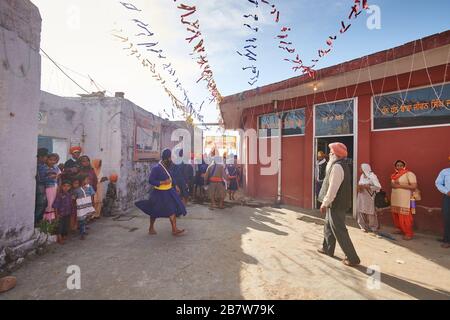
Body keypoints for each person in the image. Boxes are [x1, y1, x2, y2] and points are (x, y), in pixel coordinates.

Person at [318, 143, 360, 267]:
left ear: (336, 155)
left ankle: (352, 258)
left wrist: (325, 203)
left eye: (331, 152)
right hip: (335, 203)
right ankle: (327, 248)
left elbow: (333, 189)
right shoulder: (339, 165)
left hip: (336, 203)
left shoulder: (337, 167)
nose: (329, 154)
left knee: (339, 230)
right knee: (328, 226)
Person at [135, 149, 187, 236]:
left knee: (172, 209)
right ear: (166, 158)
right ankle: (151, 228)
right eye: (170, 158)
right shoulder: (156, 168)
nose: (171, 160)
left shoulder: (167, 167)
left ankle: (174, 229)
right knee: (154, 211)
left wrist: (175, 185)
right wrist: (163, 182)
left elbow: (171, 177)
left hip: (169, 192)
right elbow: (151, 180)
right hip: (158, 193)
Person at [390, 160, 418, 241]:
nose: (399, 167)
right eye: (397, 165)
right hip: (395, 198)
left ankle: (408, 233)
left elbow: (414, 186)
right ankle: (399, 229)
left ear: (404, 166)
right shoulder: (394, 175)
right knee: (396, 214)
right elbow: (392, 185)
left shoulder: (409, 174)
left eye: (401, 165)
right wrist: (394, 185)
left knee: (405, 215)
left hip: (405, 198)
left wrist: (398, 186)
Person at [357, 164, 382, 233]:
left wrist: (369, 187)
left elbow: (378, 187)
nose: (359, 168)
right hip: (361, 196)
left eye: (361, 167)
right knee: (361, 210)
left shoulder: (372, 176)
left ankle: (373, 227)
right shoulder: (362, 176)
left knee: (370, 212)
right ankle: (363, 226)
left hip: (369, 197)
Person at [73, 175, 96, 240]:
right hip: (81, 208)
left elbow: (92, 195)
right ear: (82, 181)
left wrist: (92, 203)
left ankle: (83, 230)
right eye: (86, 179)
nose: (88, 181)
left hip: (88, 206)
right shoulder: (77, 190)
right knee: (81, 220)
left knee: (86, 218)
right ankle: (82, 233)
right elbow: (74, 198)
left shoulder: (89, 187)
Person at [435, 156, 450, 249]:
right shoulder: (445, 172)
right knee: (447, 217)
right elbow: (438, 183)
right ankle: (447, 240)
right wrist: (446, 191)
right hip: (448, 197)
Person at [53, 181, 73, 245]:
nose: (66, 187)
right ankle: (59, 238)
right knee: (60, 227)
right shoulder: (59, 195)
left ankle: (64, 236)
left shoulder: (69, 195)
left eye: (68, 186)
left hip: (67, 213)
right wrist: (56, 215)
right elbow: (56, 206)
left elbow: (70, 204)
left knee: (65, 225)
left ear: (70, 187)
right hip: (60, 214)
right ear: (62, 187)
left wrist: (71, 212)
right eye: (64, 186)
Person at [44, 153, 61, 222]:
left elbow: (59, 178)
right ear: (47, 160)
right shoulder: (44, 168)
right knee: (49, 203)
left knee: (54, 203)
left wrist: (59, 186)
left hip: (55, 187)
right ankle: (47, 220)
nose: (52, 161)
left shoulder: (56, 168)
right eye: (50, 160)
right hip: (48, 188)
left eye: (54, 160)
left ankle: (52, 220)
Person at [35, 148, 49, 225]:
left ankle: (38, 220)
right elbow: (41, 178)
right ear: (40, 157)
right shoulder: (38, 165)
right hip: (40, 185)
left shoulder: (43, 165)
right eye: (45, 157)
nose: (46, 159)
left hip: (43, 185)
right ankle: (35, 221)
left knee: (43, 203)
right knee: (41, 203)